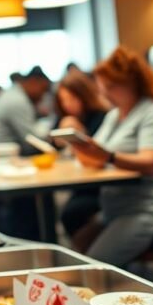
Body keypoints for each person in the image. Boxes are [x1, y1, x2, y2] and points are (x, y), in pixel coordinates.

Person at [68, 48, 153, 267]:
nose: (105, 92)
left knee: (94, 265)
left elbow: (151, 162)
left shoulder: (151, 111)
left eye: (112, 86)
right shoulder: (115, 115)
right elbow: (97, 154)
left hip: (141, 209)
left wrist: (108, 156)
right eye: (104, 86)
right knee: (75, 250)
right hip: (111, 210)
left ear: (132, 83)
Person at [0, 66, 55, 240]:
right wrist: (56, 137)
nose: (43, 96)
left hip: (7, 165)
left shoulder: (13, 95)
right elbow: (32, 140)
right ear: (33, 82)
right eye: (42, 90)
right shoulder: (17, 101)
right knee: (33, 210)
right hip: (8, 168)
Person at [52, 72, 110, 249]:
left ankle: (86, 251)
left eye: (71, 98)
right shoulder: (64, 117)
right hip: (80, 183)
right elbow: (53, 141)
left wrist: (80, 134)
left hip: (99, 186)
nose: (67, 104)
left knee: (71, 213)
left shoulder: (101, 116)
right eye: (63, 100)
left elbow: (102, 151)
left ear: (83, 95)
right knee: (65, 210)